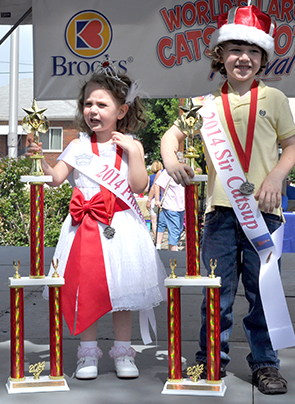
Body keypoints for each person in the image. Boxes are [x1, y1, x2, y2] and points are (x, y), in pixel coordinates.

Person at [160, 3, 295, 395]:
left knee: (263, 293)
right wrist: (171, 160)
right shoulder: (204, 105)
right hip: (220, 213)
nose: (244, 58)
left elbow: (291, 146)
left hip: (264, 212)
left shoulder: (274, 98)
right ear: (220, 55)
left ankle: (266, 364)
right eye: (236, 50)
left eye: (253, 51)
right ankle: (209, 361)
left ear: (263, 58)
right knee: (215, 293)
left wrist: (275, 175)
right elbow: (171, 137)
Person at [26, 70, 166, 380]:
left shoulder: (132, 145)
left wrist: (134, 152)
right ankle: (87, 354)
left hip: (120, 226)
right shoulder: (77, 145)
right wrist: (41, 161)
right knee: (83, 290)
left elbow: (139, 186)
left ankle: (123, 353)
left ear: (122, 110)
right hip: (82, 227)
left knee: (123, 292)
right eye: (88, 103)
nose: (93, 110)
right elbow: (56, 179)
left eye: (102, 104)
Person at [154, 156, 185, 251]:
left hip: (181, 207)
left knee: (178, 230)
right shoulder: (168, 172)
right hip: (170, 206)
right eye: (183, 162)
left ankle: (171, 251)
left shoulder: (183, 172)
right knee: (174, 231)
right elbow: (157, 185)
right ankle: (173, 254)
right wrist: (156, 200)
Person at [146, 160, 163, 235]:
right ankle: (161, 237)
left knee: (153, 221)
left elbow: (146, 190)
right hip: (162, 198)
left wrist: (148, 200)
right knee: (162, 221)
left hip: (153, 199)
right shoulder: (164, 175)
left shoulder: (149, 177)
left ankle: (156, 238)